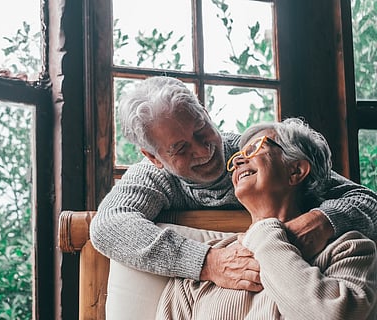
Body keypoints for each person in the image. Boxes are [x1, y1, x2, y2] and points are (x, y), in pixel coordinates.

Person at [89, 76, 377, 292]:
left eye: (202, 130)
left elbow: (367, 201)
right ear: (153, 157)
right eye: (180, 149)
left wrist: (321, 220)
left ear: (205, 112)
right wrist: (208, 262)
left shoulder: (256, 153)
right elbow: (108, 225)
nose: (203, 151)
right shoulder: (152, 177)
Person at [155, 118, 377, 319]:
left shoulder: (349, 250)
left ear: (296, 170)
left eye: (253, 150)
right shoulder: (206, 267)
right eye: (238, 157)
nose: (240, 160)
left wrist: (264, 231)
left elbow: (330, 315)